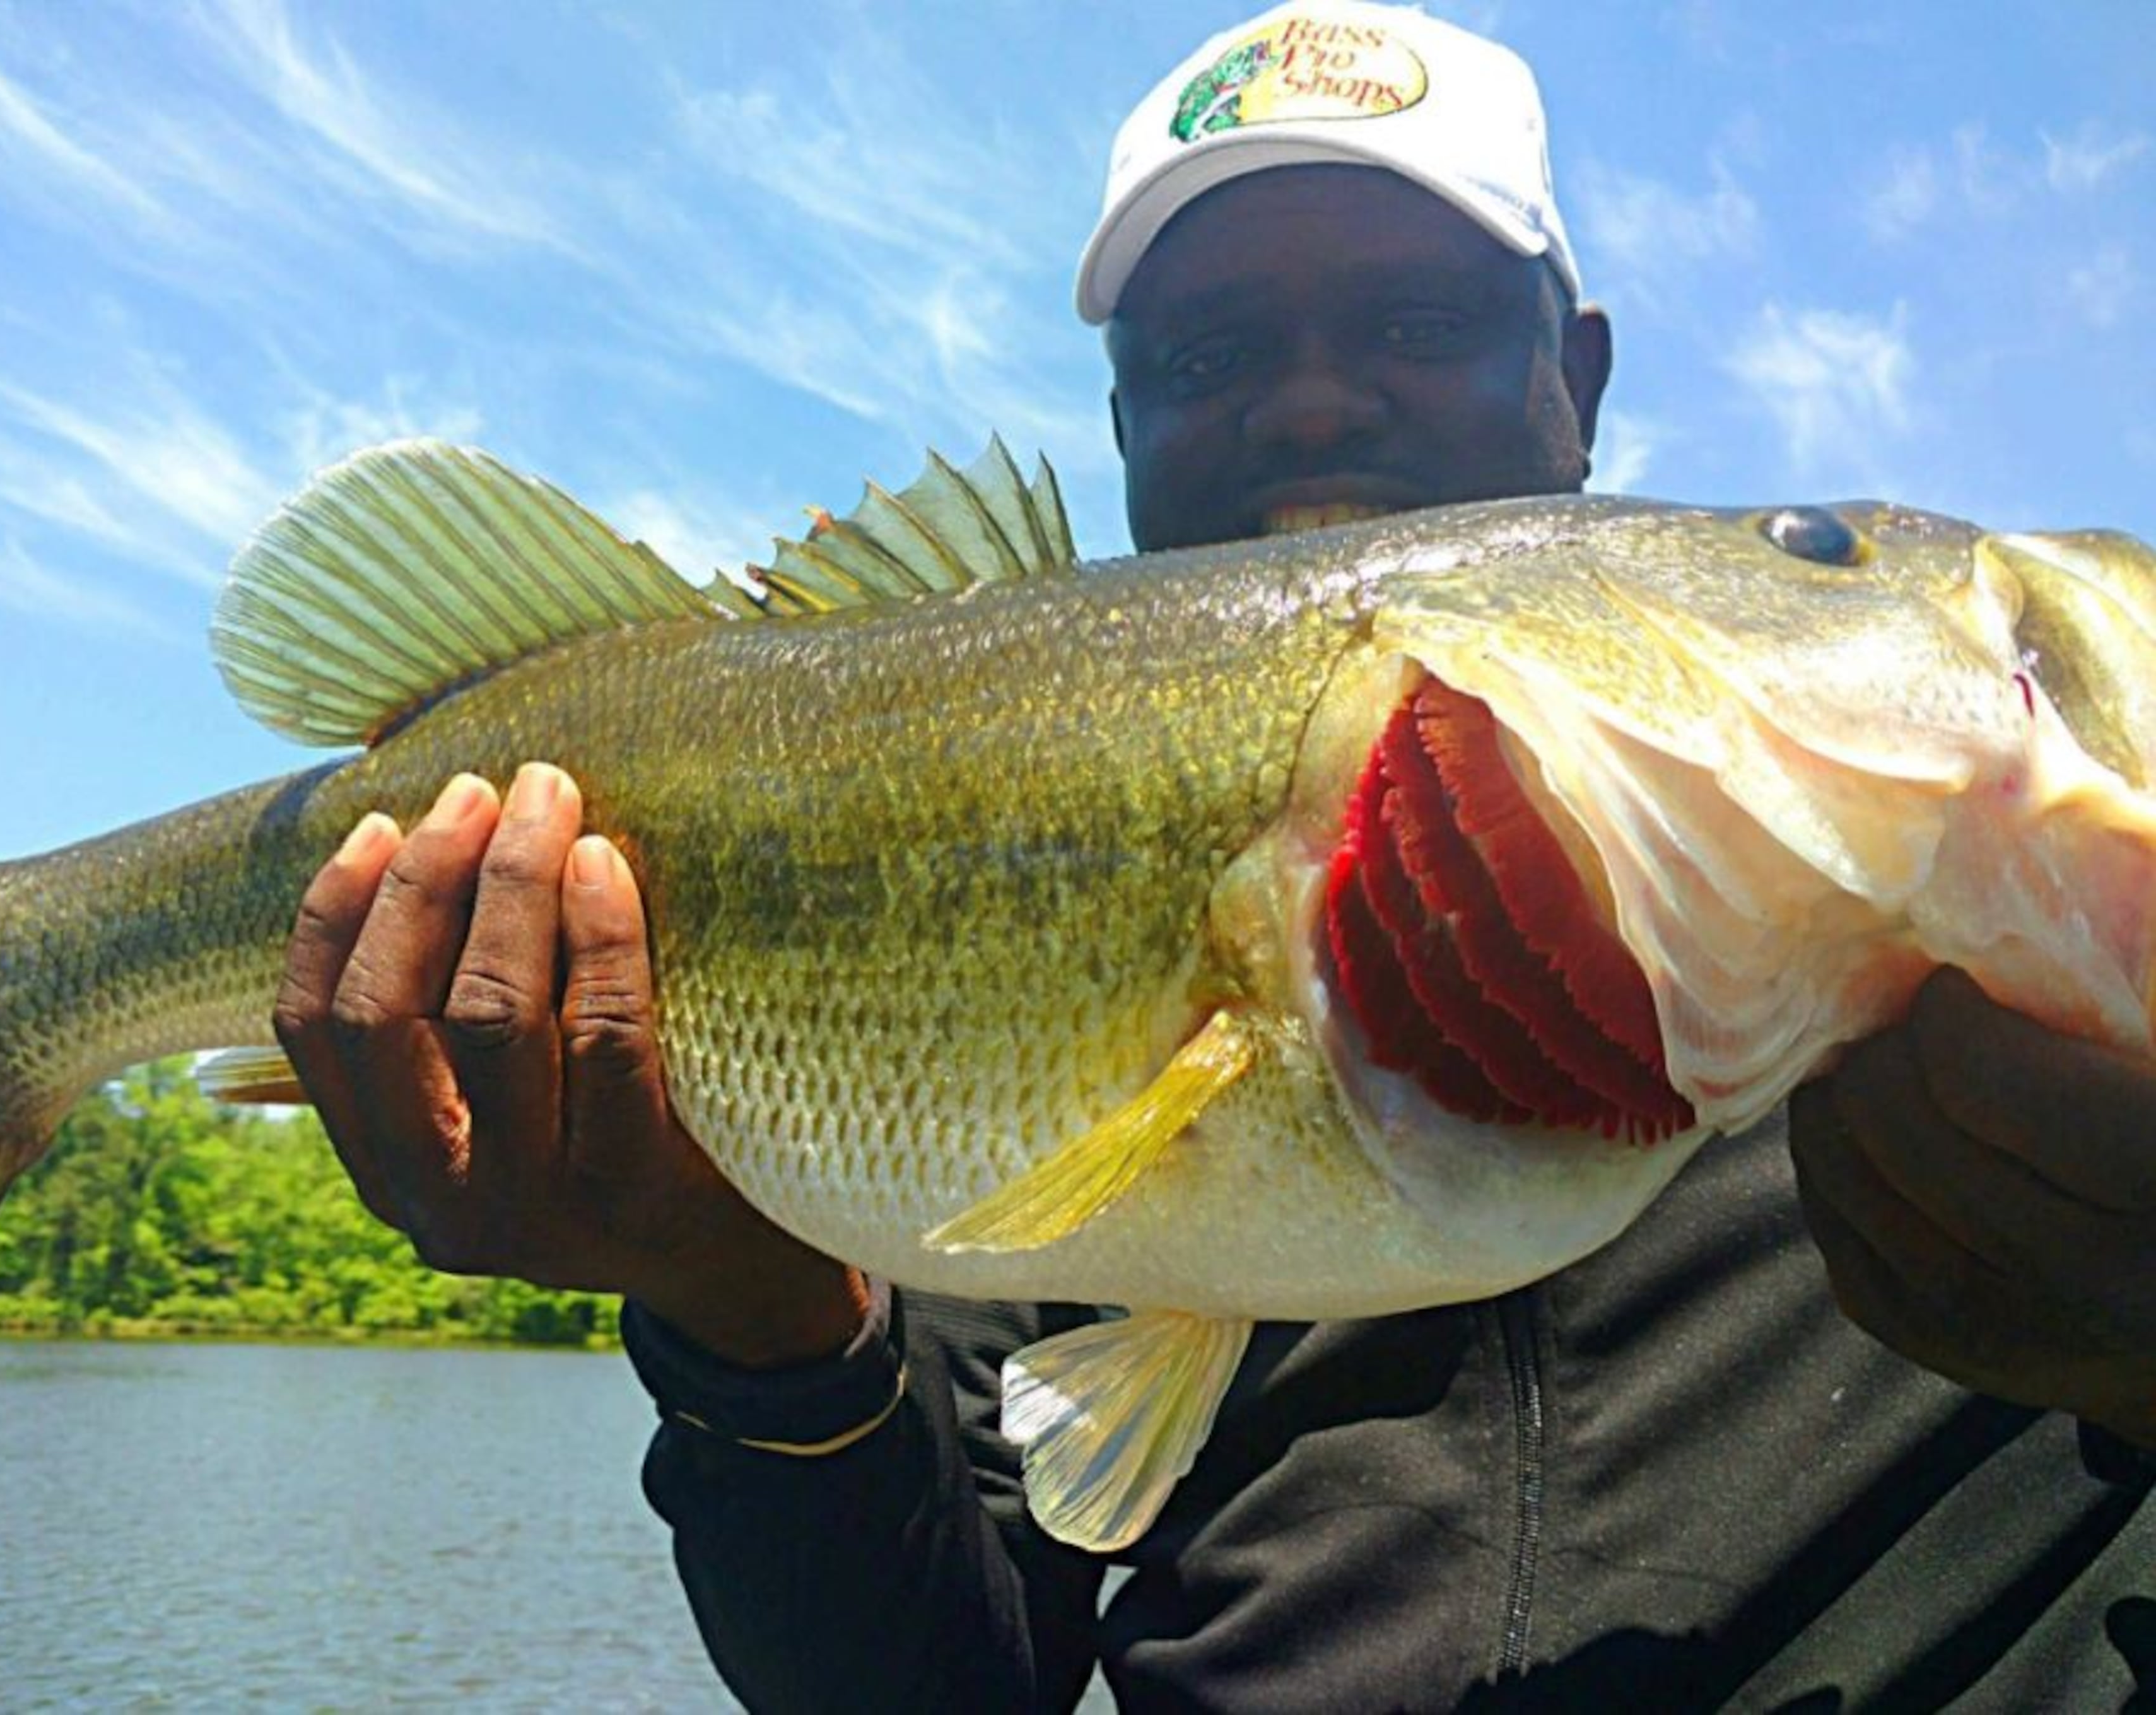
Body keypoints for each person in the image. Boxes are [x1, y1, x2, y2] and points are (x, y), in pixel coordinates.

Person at [273, 4, 2156, 1706]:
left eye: (1417, 324)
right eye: (1210, 350)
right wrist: (746, 1306)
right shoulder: (992, 1137)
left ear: (1573, 379)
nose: (1314, 400)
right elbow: (940, 1681)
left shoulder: (2011, 938)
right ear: (1124, 425)